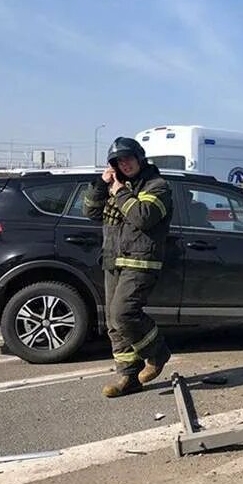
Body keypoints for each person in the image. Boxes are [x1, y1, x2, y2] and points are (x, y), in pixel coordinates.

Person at [84, 137, 172, 398]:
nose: (125, 164)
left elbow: (143, 217)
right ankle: (128, 376)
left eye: (128, 159)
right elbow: (90, 212)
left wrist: (120, 191)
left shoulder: (158, 186)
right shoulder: (114, 186)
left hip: (140, 261)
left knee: (124, 313)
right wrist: (102, 184)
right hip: (113, 259)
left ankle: (157, 353)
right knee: (113, 322)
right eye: (119, 161)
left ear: (139, 158)